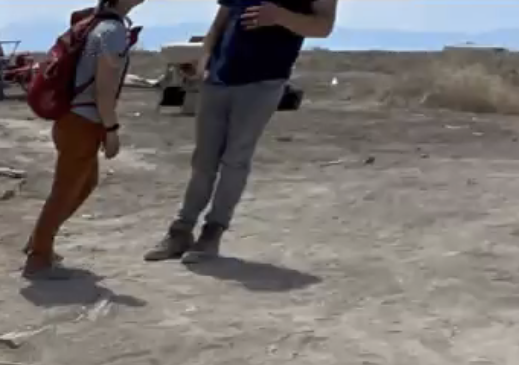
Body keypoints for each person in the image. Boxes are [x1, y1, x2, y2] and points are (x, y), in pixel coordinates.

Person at [145, 0, 338, 264]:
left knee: (235, 159)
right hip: (219, 78)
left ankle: (212, 233)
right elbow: (221, 19)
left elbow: (323, 26)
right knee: (203, 159)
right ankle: (180, 231)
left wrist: (280, 16)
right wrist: (206, 57)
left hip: (263, 81)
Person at [23, 0, 144, 278]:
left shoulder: (94, 23)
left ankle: (39, 241)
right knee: (66, 190)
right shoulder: (112, 31)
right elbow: (104, 88)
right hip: (83, 122)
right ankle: (39, 256)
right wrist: (111, 130)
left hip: (72, 119)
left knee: (84, 183)